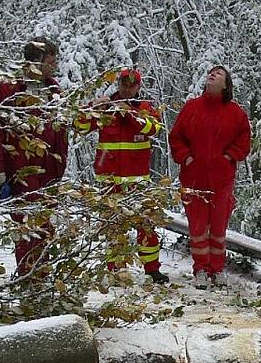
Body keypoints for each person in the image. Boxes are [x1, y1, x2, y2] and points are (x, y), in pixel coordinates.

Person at [75, 67, 169, 284]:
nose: (127, 89)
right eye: (123, 84)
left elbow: (153, 129)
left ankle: (152, 269)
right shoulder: (106, 107)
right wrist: (92, 108)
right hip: (109, 180)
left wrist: (129, 113)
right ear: (118, 84)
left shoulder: (145, 107)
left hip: (137, 181)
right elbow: (80, 126)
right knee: (113, 226)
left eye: (132, 85)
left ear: (138, 86)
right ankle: (116, 269)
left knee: (145, 224)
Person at [0, 37, 68, 277]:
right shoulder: (8, 90)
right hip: (19, 171)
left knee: (46, 227)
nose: (54, 66)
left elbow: (61, 130)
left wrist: (60, 163)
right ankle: (27, 279)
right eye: (51, 62)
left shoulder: (54, 90)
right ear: (35, 62)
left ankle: (41, 276)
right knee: (26, 227)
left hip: (48, 172)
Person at [169, 65, 251, 288]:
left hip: (221, 180)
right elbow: (176, 138)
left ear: (226, 85)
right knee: (197, 227)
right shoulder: (191, 108)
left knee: (218, 227)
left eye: (219, 74)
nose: (212, 75)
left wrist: (228, 157)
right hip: (193, 178)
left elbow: (244, 141)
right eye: (211, 73)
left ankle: (218, 268)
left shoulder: (236, 114)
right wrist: (186, 158)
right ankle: (201, 270)